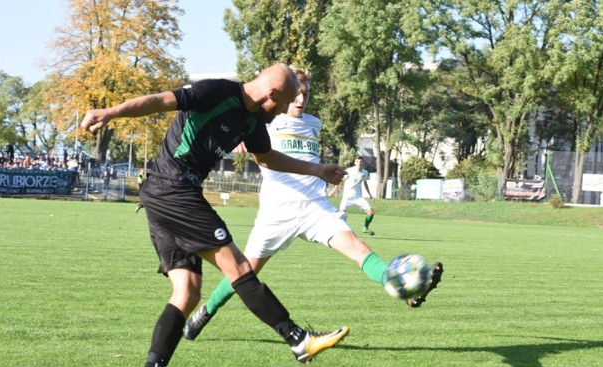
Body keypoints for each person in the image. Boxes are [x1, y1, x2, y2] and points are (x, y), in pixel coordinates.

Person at [80, 63, 349, 367]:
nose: (283, 111)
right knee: (237, 267)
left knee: (188, 291)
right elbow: (161, 100)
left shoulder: (253, 121)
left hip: (166, 196)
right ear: (273, 94)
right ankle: (298, 339)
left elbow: (266, 158)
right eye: (284, 103)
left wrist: (318, 169)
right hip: (173, 189)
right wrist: (112, 111)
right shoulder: (216, 92)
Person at [184, 68, 444, 343]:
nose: (300, 100)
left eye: (305, 94)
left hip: (315, 209)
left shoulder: (314, 123)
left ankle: (402, 287)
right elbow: (247, 138)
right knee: (244, 272)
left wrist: (325, 173)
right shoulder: (265, 122)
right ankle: (206, 310)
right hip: (277, 213)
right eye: (295, 94)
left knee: (359, 249)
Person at [328, 155, 376, 235]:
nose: (359, 163)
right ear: (355, 162)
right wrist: (333, 191)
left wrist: (370, 195)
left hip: (358, 197)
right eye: (357, 161)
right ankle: (336, 230)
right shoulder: (349, 171)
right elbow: (341, 180)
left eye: (361, 162)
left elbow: (365, 183)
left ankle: (365, 228)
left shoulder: (365, 172)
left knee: (371, 212)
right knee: (341, 214)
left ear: (363, 163)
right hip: (348, 197)